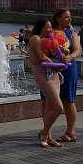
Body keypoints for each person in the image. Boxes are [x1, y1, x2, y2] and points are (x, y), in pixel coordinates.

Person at [29, 18, 64, 148]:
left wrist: (62, 53)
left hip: (52, 73)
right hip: (42, 72)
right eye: (48, 27)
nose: (50, 30)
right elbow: (42, 57)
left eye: (51, 27)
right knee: (59, 107)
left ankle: (49, 137)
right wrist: (57, 65)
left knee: (50, 107)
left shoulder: (47, 40)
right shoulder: (36, 38)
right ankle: (44, 134)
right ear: (41, 27)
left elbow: (54, 55)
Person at [53, 9, 80, 143]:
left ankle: (71, 132)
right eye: (66, 17)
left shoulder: (72, 33)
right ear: (58, 18)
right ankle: (46, 131)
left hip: (69, 68)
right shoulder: (51, 33)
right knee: (50, 100)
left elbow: (77, 50)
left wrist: (70, 56)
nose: (69, 19)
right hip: (53, 68)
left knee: (68, 100)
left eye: (70, 17)